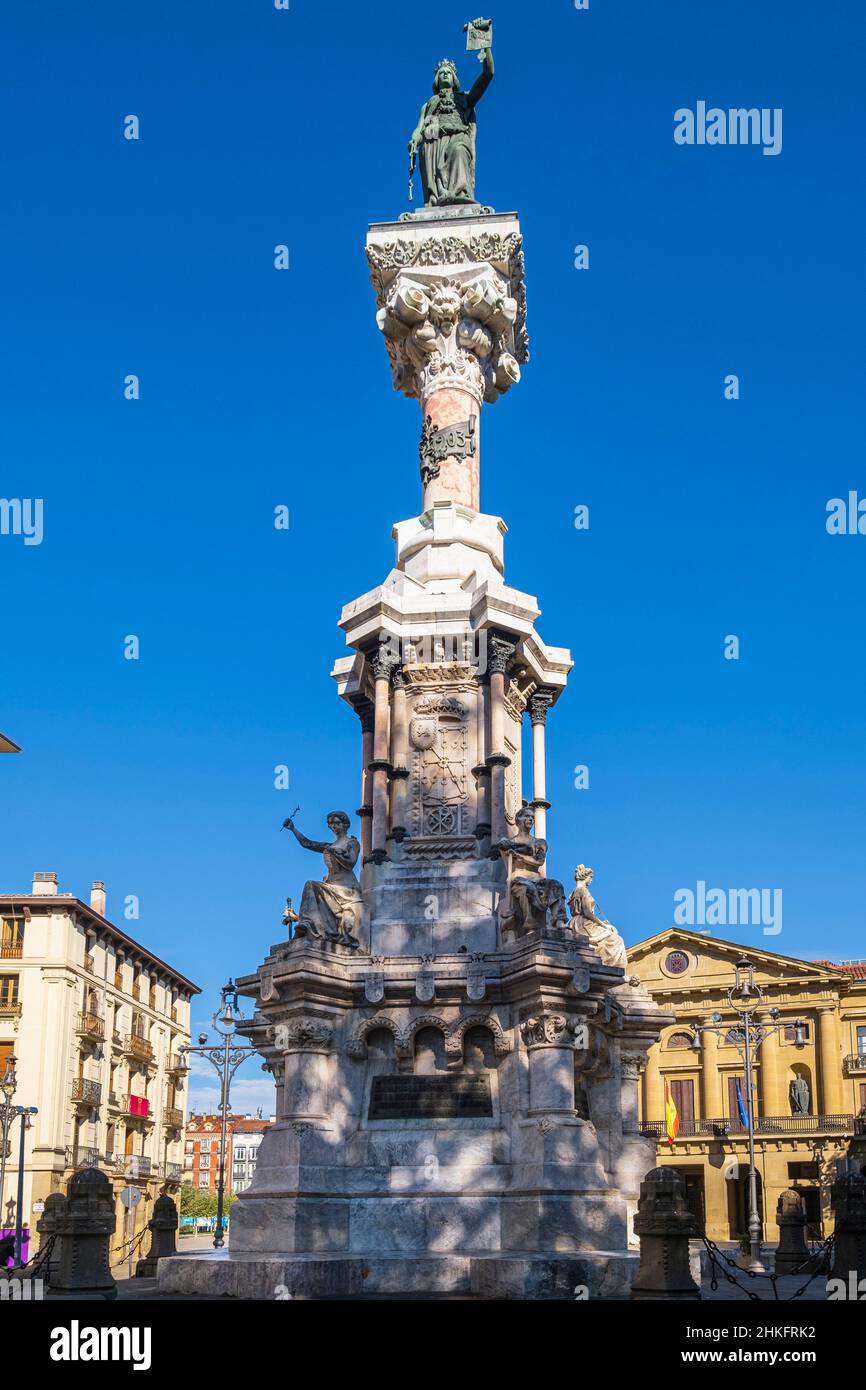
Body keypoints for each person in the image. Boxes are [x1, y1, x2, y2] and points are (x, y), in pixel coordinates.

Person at [408, 26, 494, 207]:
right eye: (441, 73)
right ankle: (438, 197)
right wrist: (415, 138)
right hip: (434, 141)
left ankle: (459, 193)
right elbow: (420, 126)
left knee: (458, 151)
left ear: (454, 79)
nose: (445, 74)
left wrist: (485, 46)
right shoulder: (429, 103)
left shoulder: (464, 98)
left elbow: (488, 75)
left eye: (449, 72)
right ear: (437, 80)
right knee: (437, 171)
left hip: (457, 135)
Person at [282, 812, 363, 948]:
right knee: (312, 886)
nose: (334, 827)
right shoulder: (329, 845)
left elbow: (350, 863)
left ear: (345, 825)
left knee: (311, 885)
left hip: (347, 889)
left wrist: (334, 853)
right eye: (331, 824)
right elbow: (307, 843)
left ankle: (305, 924)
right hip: (332, 886)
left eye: (337, 823)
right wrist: (293, 829)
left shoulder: (352, 843)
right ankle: (305, 924)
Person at [569, 865, 628, 970]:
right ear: (585, 876)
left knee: (612, 934)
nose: (591, 880)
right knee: (617, 939)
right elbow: (587, 913)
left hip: (575, 922)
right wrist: (603, 925)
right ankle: (612, 966)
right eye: (591, 877)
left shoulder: (574, 891)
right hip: (584, 925)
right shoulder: (583, 890)